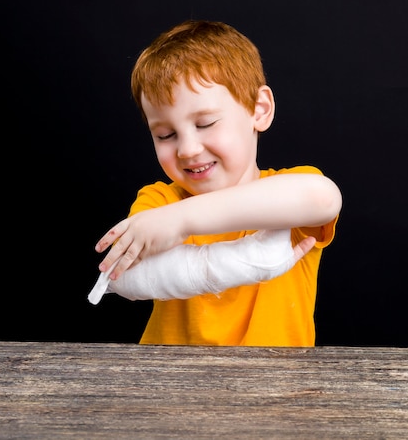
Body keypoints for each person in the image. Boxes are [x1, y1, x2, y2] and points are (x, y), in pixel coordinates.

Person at [92, 20, 342, 346]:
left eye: (205, 123)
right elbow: (127, 276)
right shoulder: (159, 201)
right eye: (165, 135)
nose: (188, 149)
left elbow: (323, 198)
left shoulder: (287, 190)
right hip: (166, 387)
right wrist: (170, 216)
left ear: (259, 109)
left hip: (276, 389)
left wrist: (182, 220)